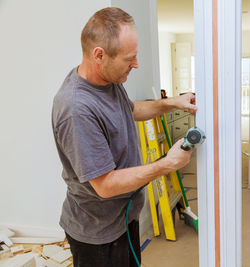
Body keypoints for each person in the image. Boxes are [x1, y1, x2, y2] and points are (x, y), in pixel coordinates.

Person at [51, 7, 196, 267]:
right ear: (99, 55)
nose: (136, 64)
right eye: (130, 58)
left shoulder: (108, 79)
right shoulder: (76, 109)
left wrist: (174, 102)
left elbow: (131, 110)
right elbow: (105, 185)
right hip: (96, 235)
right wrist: (167, 164)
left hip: (123, 219)